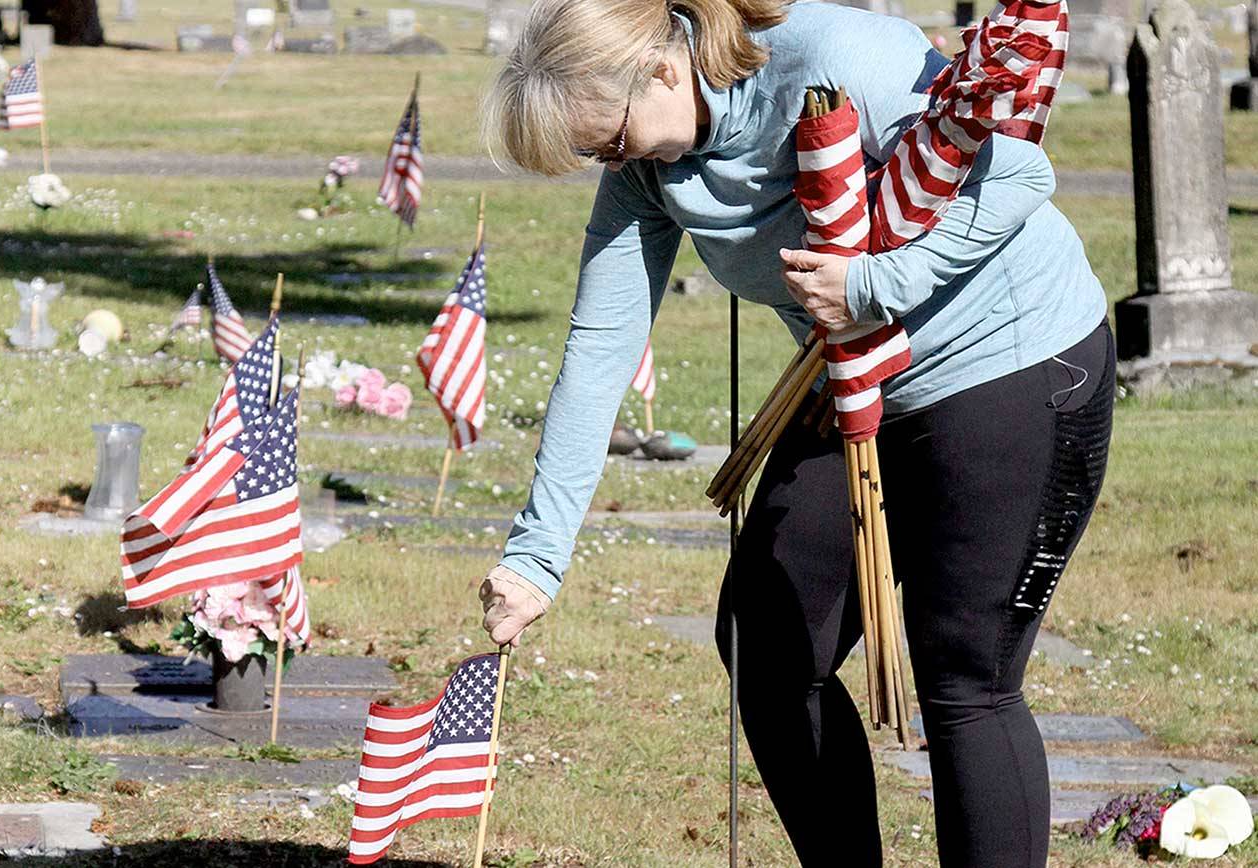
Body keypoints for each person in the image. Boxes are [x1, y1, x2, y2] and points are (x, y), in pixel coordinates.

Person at [475, 0, 1115, 865]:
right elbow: (601, 345)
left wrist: (876, 282)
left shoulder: (836, 54)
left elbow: (1020, 179)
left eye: (608, 140)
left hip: (1015, 362)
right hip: (854, 384)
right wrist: (537, 555)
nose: (606, 163)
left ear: (662, 69)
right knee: (767, 642)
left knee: (964, 675)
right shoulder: (648, 169)